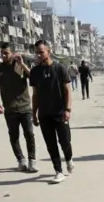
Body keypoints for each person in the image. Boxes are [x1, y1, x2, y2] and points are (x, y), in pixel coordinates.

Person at [29, 40, 74, 184]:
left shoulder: (60, 69)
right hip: (44, 114)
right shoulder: (35, 72)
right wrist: (34, 113)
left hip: (60, 112)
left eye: (41, 52)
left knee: (65, 141)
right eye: (37, 52)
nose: (39, 55)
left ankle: (68, 158)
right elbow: (35, 94)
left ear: (48, 51)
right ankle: (58, 171)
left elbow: (67, 91)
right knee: (51, 144)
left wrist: (67, 109)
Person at [0, 43, 38, 173]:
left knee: (29, 134)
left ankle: (32, 161)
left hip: (25, 107)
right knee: (14, 136)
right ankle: (21, 160)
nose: (4, 55)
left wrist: (22, 64)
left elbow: (34, 77)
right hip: (9, 109)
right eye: (2, 53)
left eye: (6, 53)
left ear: (12, 53)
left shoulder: (19, 65)